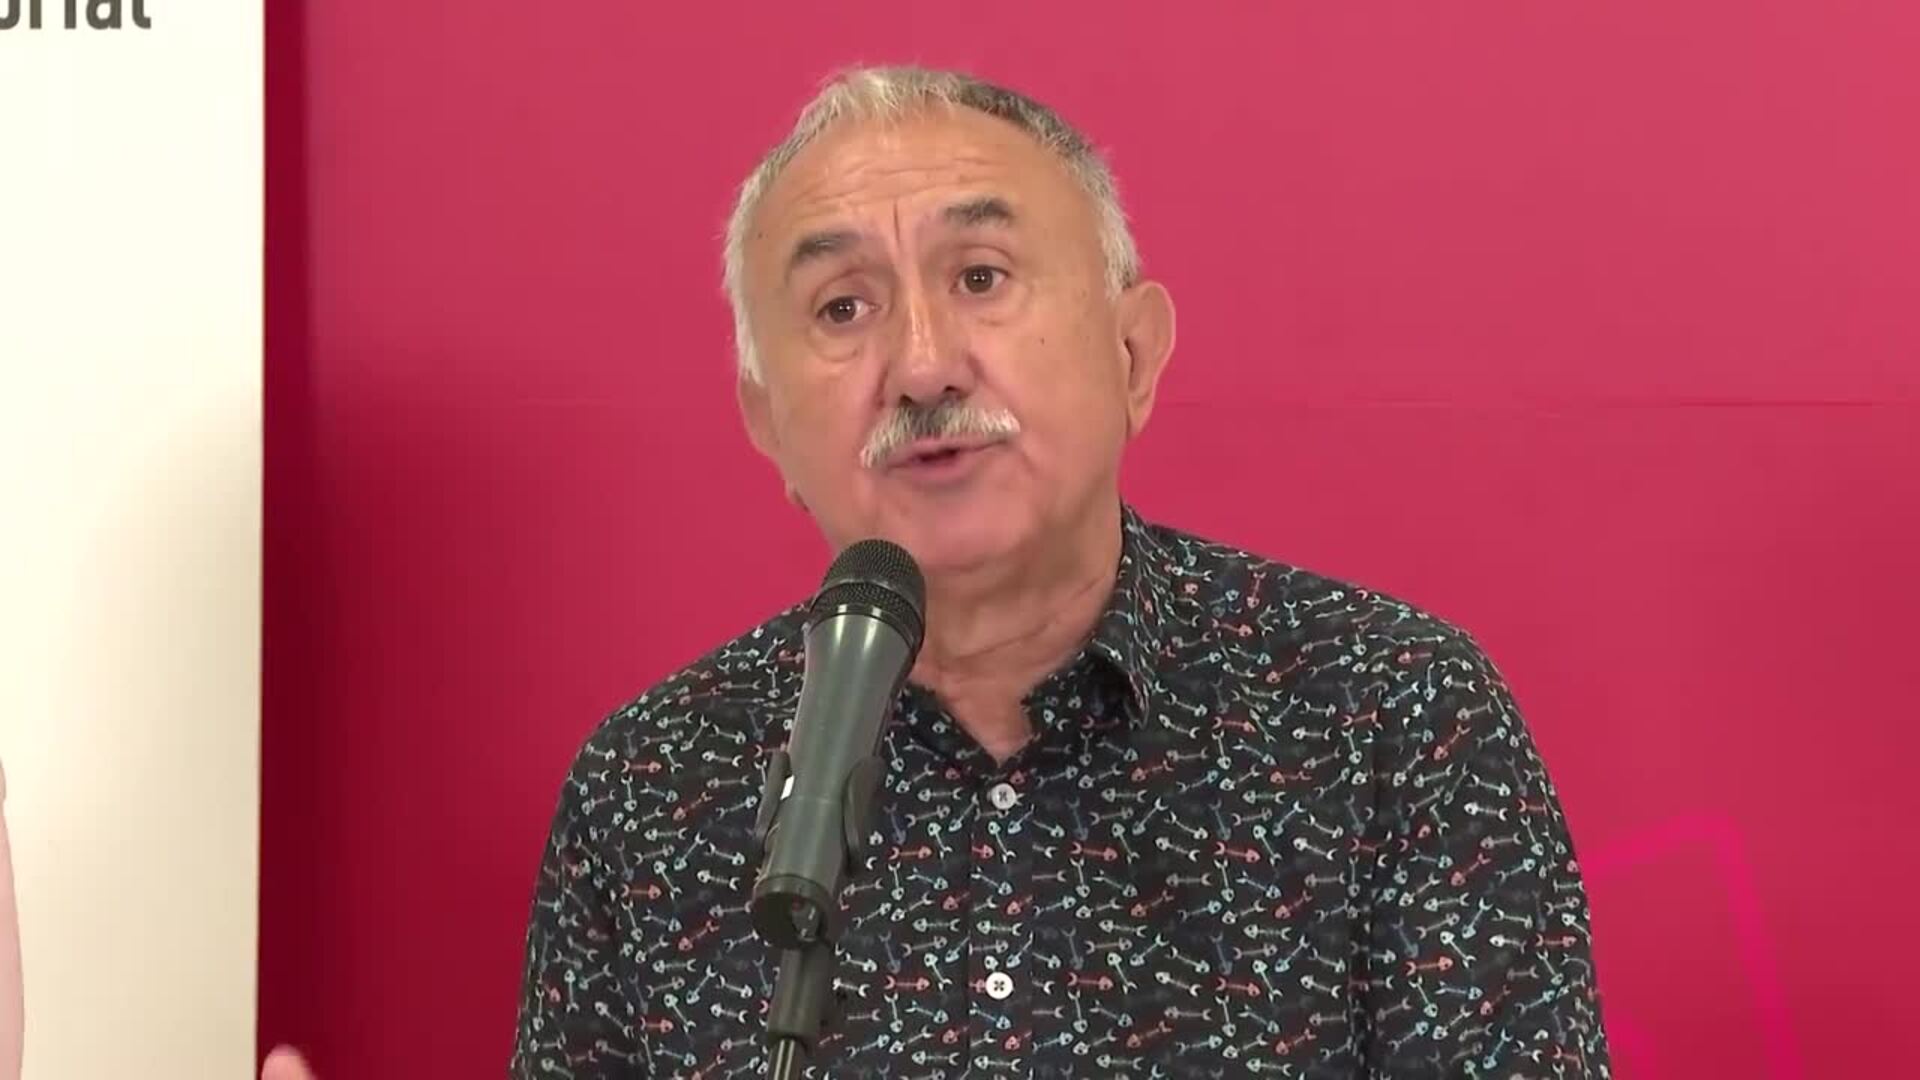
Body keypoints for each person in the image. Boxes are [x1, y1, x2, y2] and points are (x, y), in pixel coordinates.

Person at [267, 64, 1611, 1078]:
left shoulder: (1387, 718)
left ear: (1134, 355)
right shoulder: (654, 791)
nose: (919, 366)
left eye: (981, 276)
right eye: (842, 307)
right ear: (766, 425)